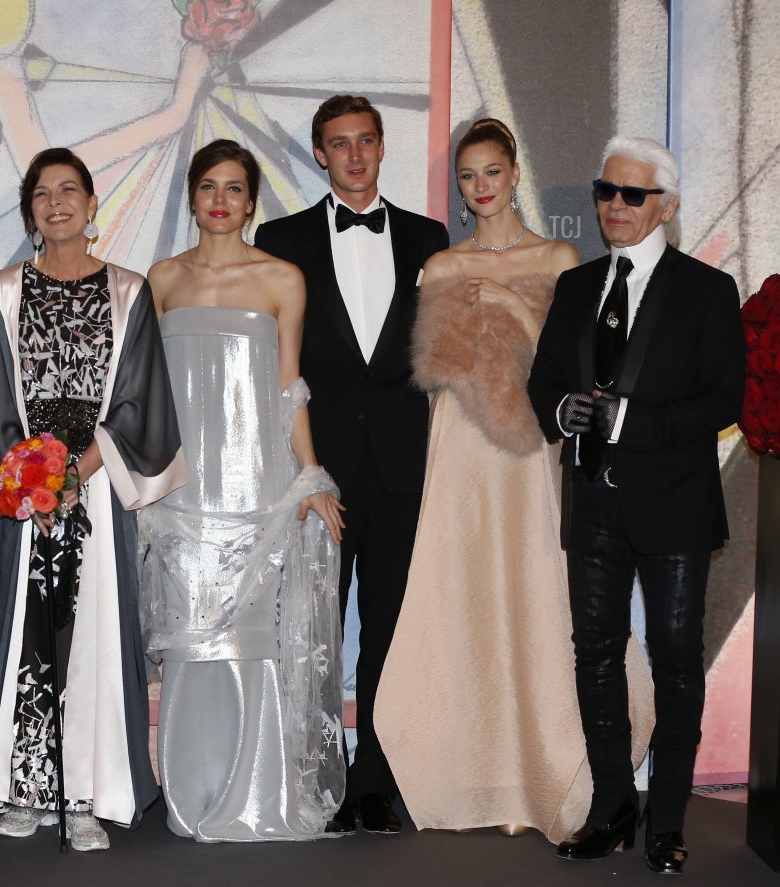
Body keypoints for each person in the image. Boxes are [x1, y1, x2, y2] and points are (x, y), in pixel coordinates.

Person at [374, 119, 654, 842]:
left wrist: (503, 312)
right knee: (465, 601)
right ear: (461, 188)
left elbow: (567, 368)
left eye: (491, 171)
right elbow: (438, 376)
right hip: (463, 457)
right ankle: (474, 773)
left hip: (532, 454)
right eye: (468, 176)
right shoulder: (440, 267)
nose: (481, 187)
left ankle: (549, 771)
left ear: (514, 171)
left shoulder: (560, 258)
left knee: (541, 598)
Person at [0, 147, 185, 852]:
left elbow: (143, 402)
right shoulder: (2, 292)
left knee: (92, 638)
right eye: (43, 193)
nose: (57, 203)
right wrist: (31, 477)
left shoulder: (131, 292)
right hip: (27, 490)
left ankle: (85, 793)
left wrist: (75, 470)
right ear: (30, 212)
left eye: (70, 190)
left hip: (97, 487)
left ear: (91, 204)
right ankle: (26, 786)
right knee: (27, 632)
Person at [529, 136, 744, 874]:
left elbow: (725, 397)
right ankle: (613, 805)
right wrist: (562, 412)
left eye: (632, 195)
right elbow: (543, 382)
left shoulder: (707, 290)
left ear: (668, 205)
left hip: (676, 505)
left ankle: (669, 818)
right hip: (590, 502)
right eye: (604, 191)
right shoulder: (575, 284)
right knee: (594, 655)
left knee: (677, 660)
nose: (613, 206)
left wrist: (632, 423)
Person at [139, 140, 346, 842]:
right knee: (191, 645)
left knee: (251, 645)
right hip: (183, 494)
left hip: (256, 489)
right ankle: (192, 795)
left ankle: (256, 796)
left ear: (252, 200)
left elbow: (291, 388)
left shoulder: (282, 278)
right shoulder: (162, 278)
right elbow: (150, 392)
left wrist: (311, 475)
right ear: (192, 197)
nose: (221, 199)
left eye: (235, 188)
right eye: (208, 187)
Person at [254, 95, 448, 834]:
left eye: (366, 141)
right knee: (316, 632)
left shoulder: (430, 237)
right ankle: (318, 777)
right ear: (319, 154)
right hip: (317, 471)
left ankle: (374, 778)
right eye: (340, 144)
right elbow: (271, 366)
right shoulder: (281, 238)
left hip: (403, 465)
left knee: (391, 630)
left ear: (381, 146)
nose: (356, 155)